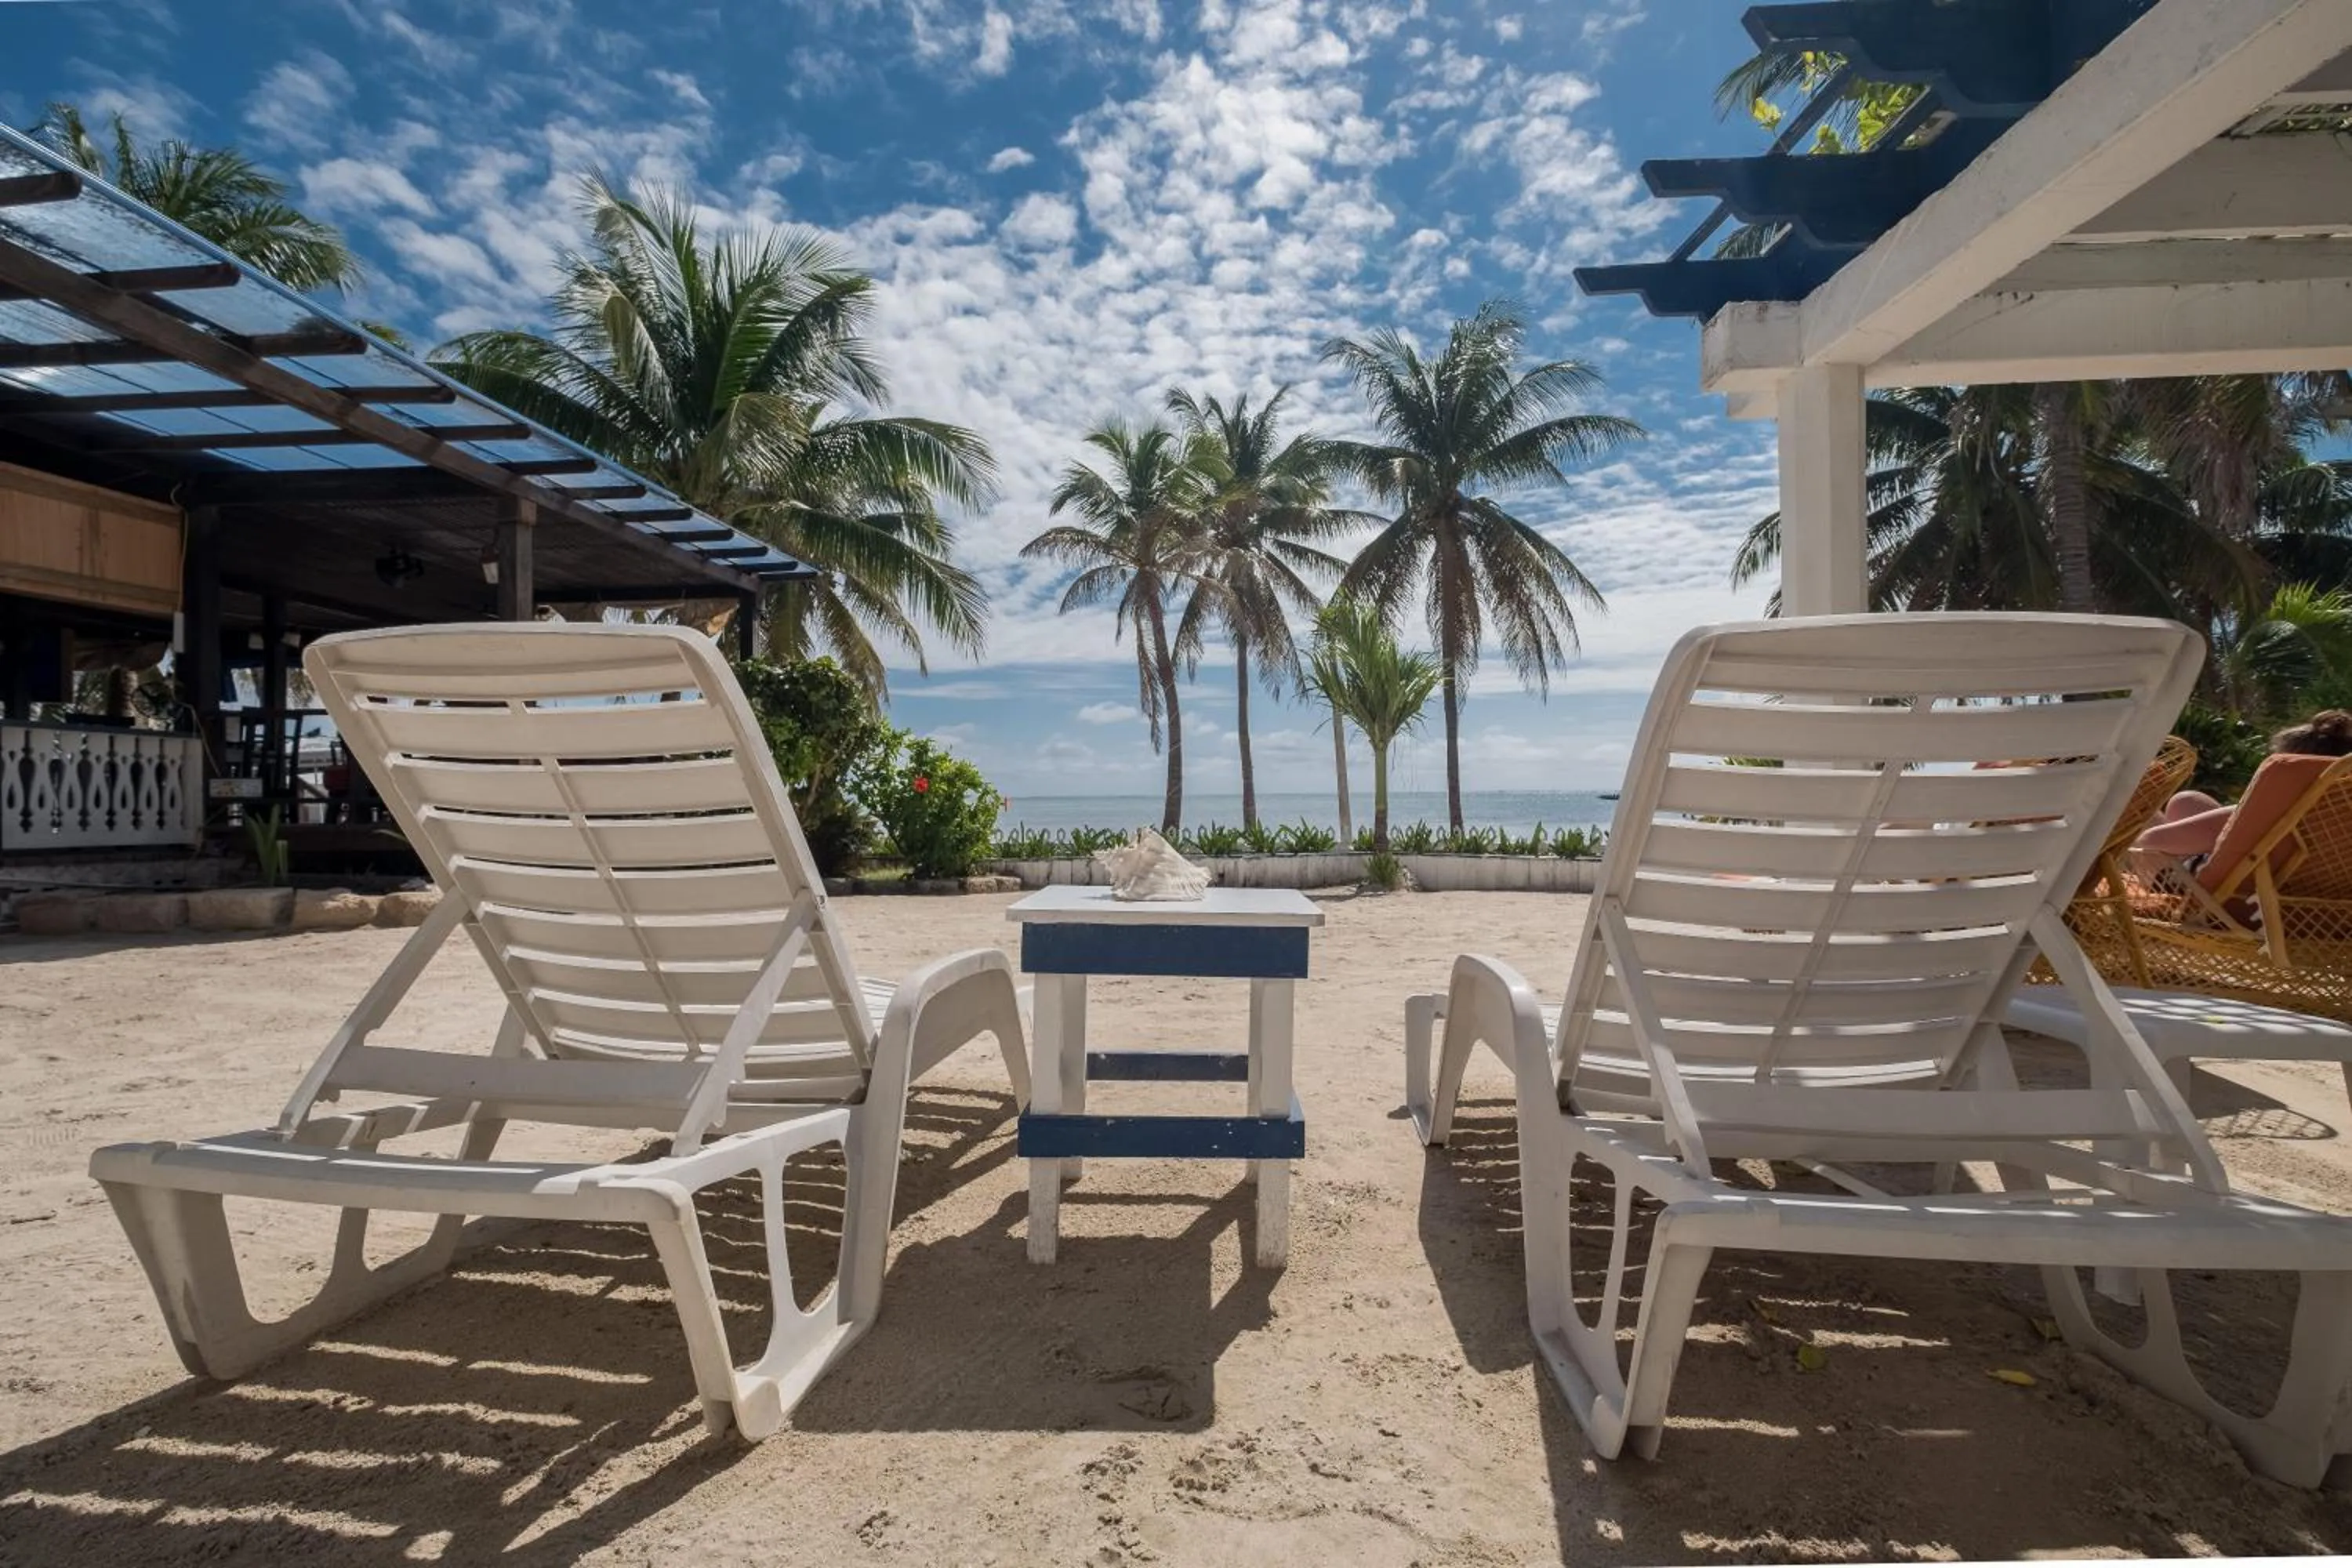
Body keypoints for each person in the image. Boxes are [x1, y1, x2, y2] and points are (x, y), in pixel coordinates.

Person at [2136, 710, 2352, 862]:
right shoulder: (2336, 823)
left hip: (2220, 903)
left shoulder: (2267, 817)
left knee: (2137, 811)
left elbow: (2151, 841)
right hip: (2302, 900)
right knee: (2186, 801)